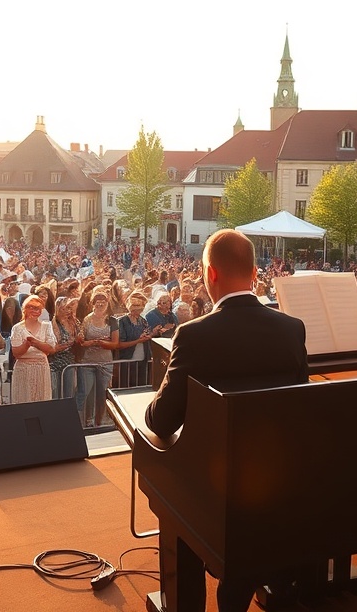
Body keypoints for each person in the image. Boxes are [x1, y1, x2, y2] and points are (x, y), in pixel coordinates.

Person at [145, 229, 308, 612]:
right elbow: (299, 407)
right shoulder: (291, 328)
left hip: (214, 489)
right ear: (254, 273)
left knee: (177, 502)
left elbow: (162, 420)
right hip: (280, 482)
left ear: (210, 274)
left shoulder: (194, 334)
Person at [75, 287, 119, 427]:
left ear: (108, 302)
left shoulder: (112, 321)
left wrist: (101, 343)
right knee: (85, 392)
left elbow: (114, 343)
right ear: (93, 303)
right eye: (97, 301)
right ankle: (84, 422)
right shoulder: (87, 319)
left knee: (102, 394)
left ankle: (99, 422)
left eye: (103, 301)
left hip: (105, 363)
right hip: (87, 362)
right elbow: (82, 341)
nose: (100, 304)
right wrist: (89, 341)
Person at [9, 294, 56, 403]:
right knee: (23, 400)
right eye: (31, 307)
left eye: (38, 308)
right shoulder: (17, 328)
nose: (35, 311)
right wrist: (26, 345)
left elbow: (51, 348)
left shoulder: (46, 326)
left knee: (41, 401)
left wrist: (35, 342)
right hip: (23, 369)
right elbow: (16, 353)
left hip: (41, 368)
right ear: (25, 309)